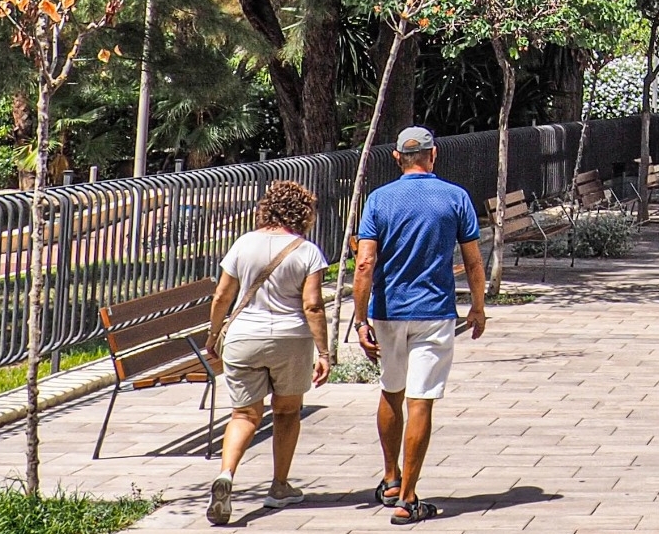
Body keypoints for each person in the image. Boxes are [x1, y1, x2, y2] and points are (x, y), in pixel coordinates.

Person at [353, 128, 486, 526]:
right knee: (421, 400)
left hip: (388, 311)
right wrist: (478, 307)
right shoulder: (455, 197)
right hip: (434, 312)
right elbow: (474, 260)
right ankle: (408, 498)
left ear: (397, 157)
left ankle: (391, 477)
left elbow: (364, 263)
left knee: (390, 390)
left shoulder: (379, 200)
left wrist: (360, 319)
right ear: (434, 155)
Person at [206, 180, 332, 525]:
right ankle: (279, 486)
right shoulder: (307, 251)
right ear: (304, 213)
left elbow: (222, 296)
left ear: (267, 208)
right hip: (291, 340)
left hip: (244, 338)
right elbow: (313, 305)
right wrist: (324, 352)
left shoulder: (243, 244)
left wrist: (213, 335)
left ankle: (226, 474)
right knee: (287, 412)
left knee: (244, 415)